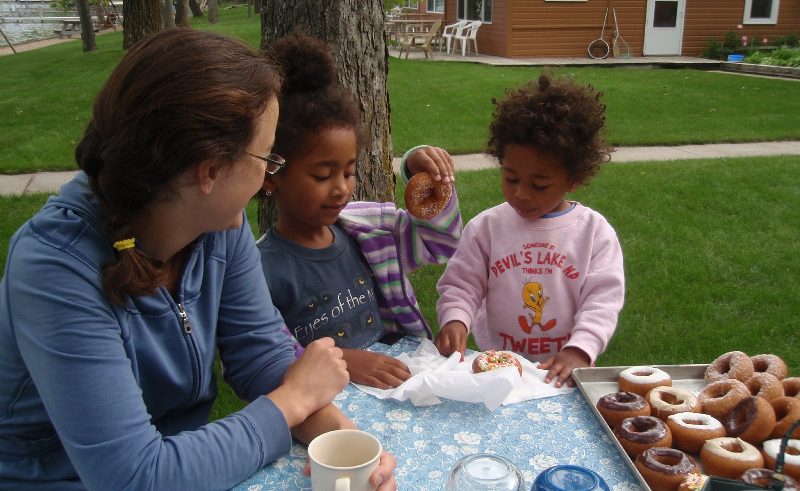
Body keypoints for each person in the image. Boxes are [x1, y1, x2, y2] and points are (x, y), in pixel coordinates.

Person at [0, 28, 396, 491]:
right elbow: (134, 477)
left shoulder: (216, 224)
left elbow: (260, 354)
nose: (270, 175)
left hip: (194, 468)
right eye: (268, 158)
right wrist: (291, 402)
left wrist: (344, 444)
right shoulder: (55, 269)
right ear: (208, 170)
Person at [257, 31, 462, 390]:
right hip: (324, 408)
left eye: (349, 171)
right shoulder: (260, 268)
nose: (341, 188)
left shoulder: (370, 230)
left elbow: (441, 241)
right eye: (322, 175)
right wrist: (344, 362)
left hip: (396, 386)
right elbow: (261, 354)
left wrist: (417, 169)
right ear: (272, 176)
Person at [434, 71, 625, 388]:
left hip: (563, 371)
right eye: (511, 178)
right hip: (497, 369)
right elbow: (462, 284)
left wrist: (580, 349)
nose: (521, 193)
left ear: (574, 180)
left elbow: (602, 301)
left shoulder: (594, 233)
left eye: (539, 184)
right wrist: (455, 318)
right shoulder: (487, 228)